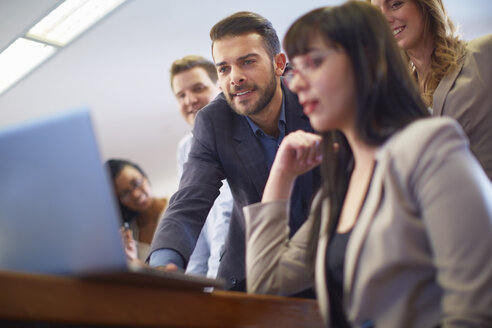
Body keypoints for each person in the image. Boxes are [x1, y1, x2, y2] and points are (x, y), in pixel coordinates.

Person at [244, 2, 492, 327]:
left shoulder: (429, 146)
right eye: (296, 69)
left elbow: (473, 312)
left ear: (367, 62)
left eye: (315, 63)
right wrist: (281, 175)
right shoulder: (337, 190)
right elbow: (267, 281)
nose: (296, 84)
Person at [149, 11, 319, 291]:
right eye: (224, 68)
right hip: (251, 272)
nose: (235, 78)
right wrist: (163, 263)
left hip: (327, 257)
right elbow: (189, 199)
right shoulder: (214, 122)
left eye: (247, 62)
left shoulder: (313, 98)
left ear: (278, 64)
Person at [370, 0, 492, 181]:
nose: (385, 19)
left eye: (396, 4)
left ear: (424, 5)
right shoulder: (397, 98)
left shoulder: (484, 54)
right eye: (376, 13)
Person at [170, 55, 233, 278]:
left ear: (219, 86)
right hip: (210, 278)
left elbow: (228, 210)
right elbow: (192, 217)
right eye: (181, 95)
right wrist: (195, 284)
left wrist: (216, 277)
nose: (190, 100)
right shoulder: (185, 148)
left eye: (198, 88)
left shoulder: (241, 130)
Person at [106, 159, 168, 262]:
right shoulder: (128, 236)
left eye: (136, 183)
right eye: (125, 193)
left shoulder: (177, 207)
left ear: (145, 177)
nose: (136, 194)